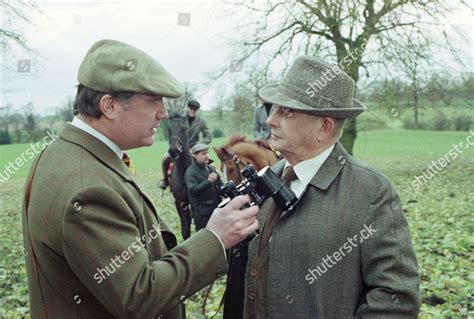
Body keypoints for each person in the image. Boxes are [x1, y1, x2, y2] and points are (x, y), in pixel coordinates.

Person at [21, 39, 259, 319]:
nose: (164, 113)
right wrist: (215, 238)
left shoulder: (65, 153)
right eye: (152, 100)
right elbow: (139, 295)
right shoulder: (88, 188)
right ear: (109, 106)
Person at [226, 56, 421, 318]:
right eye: (274, 108)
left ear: (324, 127)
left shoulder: (370, 191)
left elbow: (397, 298)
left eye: (287, 111)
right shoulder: (268, 178)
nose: (271, 120)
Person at [158, 100, 212, 189]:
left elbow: (208, 136)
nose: (193, 111)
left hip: (196, 148)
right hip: (180, 147)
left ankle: (213, 182)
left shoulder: (201, 121)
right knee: (165, 158)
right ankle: (165, 180)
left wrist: (199, 145)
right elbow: (175, 133)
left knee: (210, 163)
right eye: (191, 109)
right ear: (188, 108)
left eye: (195, 110)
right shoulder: (180, 120)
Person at [184, 143, 223, 231]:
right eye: (203, 154)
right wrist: (208, 182)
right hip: (202, 215)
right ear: (194, 155)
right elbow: (193, 191)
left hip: (216, 209)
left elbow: (219, 184)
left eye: (207, 153)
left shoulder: (210, 168)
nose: (207, 156)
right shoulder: (190, 172)